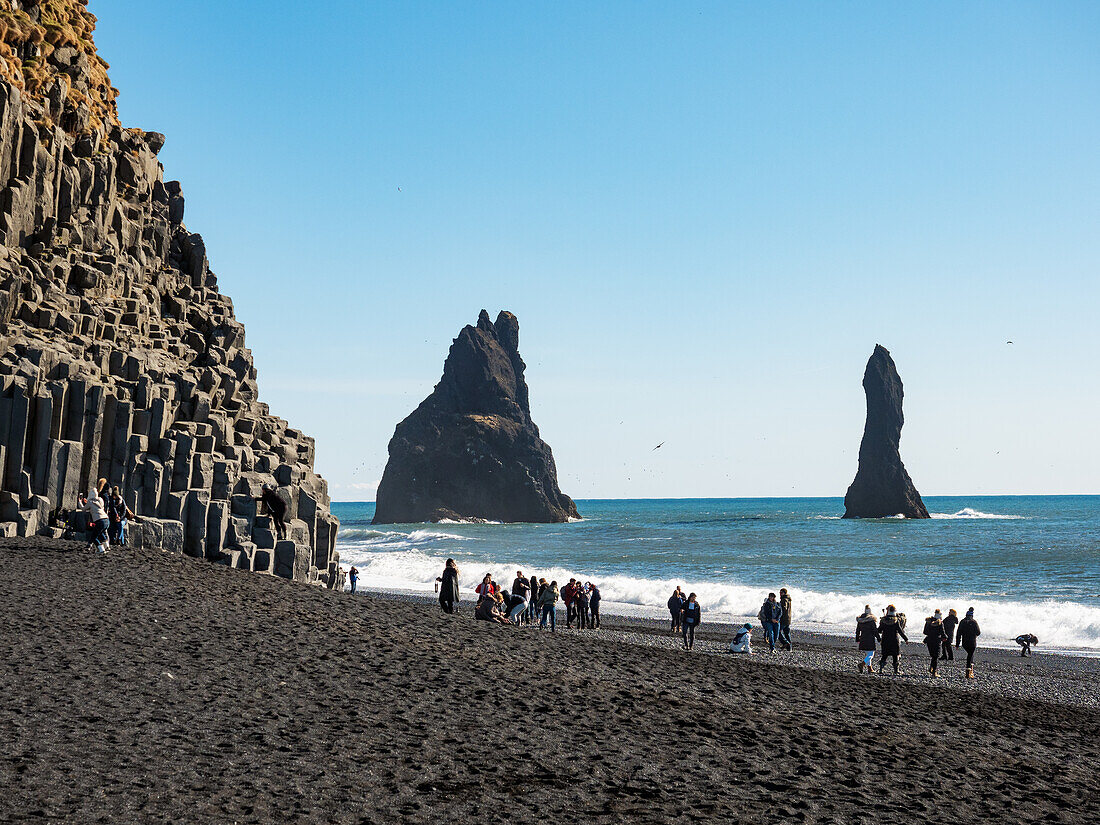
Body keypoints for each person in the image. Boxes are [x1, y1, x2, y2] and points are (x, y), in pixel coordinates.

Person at [877, 604, 908, 674]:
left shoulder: (883, 620)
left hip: (885, 640)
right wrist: (906, 639)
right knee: (895, 655)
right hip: (894, 640)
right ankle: (896, 671)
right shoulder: (896, 620)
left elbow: (879, 630)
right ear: (894, 611)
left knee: (884, 655)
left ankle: (881, 669)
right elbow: (900, 631)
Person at [84, 478, 110, 555]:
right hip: (105, 517)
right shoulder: (104, 497)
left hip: (99, 518)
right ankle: (106, 546)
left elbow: (86, 508)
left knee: (95, 534)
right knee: (102, 533)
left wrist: (87, 503)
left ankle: (99, 548)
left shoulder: (100, 495)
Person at [923, 610, 948, 677]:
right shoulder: (940, 623)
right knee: (936, 656)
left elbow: (925, 632)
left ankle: (931, 668)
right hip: (936, 640)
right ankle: (934, 672)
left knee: (933, 656)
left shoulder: (928, 621)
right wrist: (945, 637)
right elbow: (943, 632)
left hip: (929, 640)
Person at [957, 607, 981, 678]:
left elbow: (958, 633)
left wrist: (957, 644)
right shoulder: (974, 622)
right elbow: (978, 632)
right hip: (972, 642)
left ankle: (970, 671)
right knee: (970, 654)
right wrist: (974, 635)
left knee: (970, 654)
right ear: (972, 615)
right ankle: (968, 671)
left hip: (964, 642)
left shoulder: (962, 621)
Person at [856, 606, 879, 673]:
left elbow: (857, 630)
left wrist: (857, 638)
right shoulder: (871, 620)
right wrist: (879, 638)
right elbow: (875, 631)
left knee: (868, 654)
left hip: (862, 639)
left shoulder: (860, 620)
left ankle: (870, 668)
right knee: (871, 654)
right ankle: (862, 664)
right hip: (870, 639)